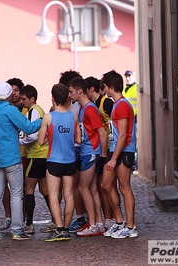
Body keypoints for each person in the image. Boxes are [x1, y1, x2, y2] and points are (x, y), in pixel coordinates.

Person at [0, 81, 42, 241]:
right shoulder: (9, 110)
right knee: (16, 194)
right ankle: (17, 230)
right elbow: (29, 128)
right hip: (12, 158)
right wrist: (43, 119)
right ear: (9, 94)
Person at [38, 83, 81, 242]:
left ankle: (59, 228)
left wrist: (50, 135)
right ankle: (66, 230)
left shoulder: (49, 117)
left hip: (54, 160)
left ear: (53, 98)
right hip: (70, 160)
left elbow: (41, 141)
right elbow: (78, 139)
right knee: (69, 195)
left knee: (54, 196)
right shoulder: (73, 116)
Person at [67, 77, 108, 237]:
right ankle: (98, 223)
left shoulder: (89, 109)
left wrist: (102, 155)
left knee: (82, 188)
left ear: (79, 91)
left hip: (90, 152)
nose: (69, 95)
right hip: (88, 151)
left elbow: (102, 133)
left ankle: (92, 224)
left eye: (71, 92)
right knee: (91, 189)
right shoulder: (84, 108)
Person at [100, 70, 138, 238]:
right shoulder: (116, 104)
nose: (104, 90)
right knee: (106, 185)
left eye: (105, 87)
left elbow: (123, 135)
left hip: (124, 150)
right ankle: (119, 221)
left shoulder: (122, 105)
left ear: (112, 87)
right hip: (115, 149)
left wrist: (114, 158)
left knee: (124, 187)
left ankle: (130, 227)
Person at [57, 70, 88, 234]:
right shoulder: (75, 105)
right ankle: (84, 217)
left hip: (75, 150)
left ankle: (82, 217)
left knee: (76, 187)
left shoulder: (75, 107)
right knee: (76, 187)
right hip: (75, 149)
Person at [85, 76, 117, 230]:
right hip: (100, 149)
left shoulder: (106, 103)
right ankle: (108, 218)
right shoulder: (91, 105)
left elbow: (114, 125)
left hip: (110, 149)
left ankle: (114, 218)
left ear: (91, 89)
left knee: (108, 185)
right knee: (100, 186)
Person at [18, 84, 50, 234]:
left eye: (24, 99)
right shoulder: (39, 110)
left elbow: (32, 135)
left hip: (36, 155)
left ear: (32, 98)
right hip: (43, 155)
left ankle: (29, 224)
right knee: (44, 189)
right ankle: (56, 221)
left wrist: (20, 142)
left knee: (28, 188)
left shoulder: (33, 112)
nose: (22, 102)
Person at [0, 77, 26, 231]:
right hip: (9, 154)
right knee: (4, 188)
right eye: (12, 90)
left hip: (24, 153)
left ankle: (21, 219)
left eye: (16, 90)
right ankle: (9, 217)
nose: (14, 93)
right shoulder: (5, 109)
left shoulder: (26, 109)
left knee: (21, 189)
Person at [123, 70, 138, 171]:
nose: (128, 78)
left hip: (134, 118)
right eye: (126, 76)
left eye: (129, 76)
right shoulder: (125, 89)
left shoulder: (136, 88)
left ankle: (134, 164)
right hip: (126, 119)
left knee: (134, 141)